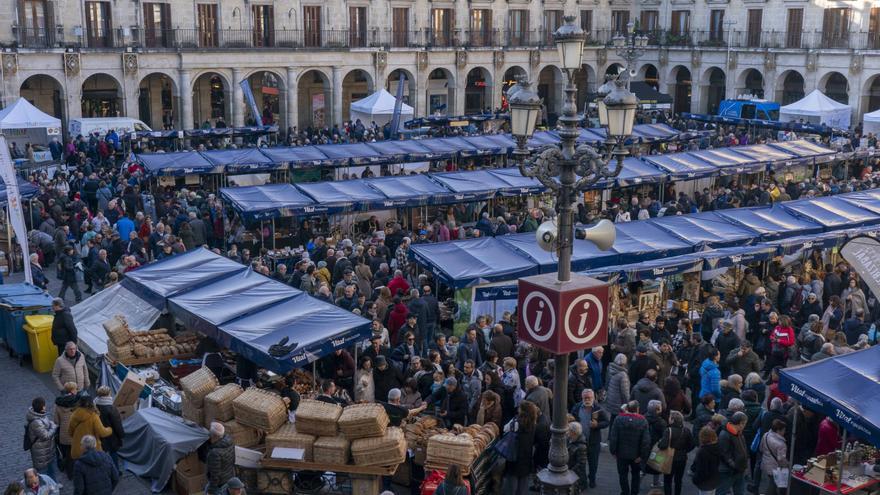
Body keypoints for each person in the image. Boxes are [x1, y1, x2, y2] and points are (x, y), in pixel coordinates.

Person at [608, 401, 651, 495]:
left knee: (622, 474)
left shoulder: (618, 419)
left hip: (621, 454)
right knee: (636, 475)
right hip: (636, 455)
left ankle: (625, 492)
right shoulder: (643, 421)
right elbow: (646, 441)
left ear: (627, 408)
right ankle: (634, 492)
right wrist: (642, 455)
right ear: (637, 409)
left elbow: (613, 437)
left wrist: (613, 451)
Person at [502, 401, 538, 495]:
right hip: (526, 456)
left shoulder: (516, 422)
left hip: (514, 455)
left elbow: (505, 429)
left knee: (511, 483)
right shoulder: (533, 423)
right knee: (523, 483)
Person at [659, 411, 695, 495]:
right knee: (678, 480)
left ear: (672, 420)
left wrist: (660, 443)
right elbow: (692, 444)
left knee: (667, 480)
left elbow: (663, 445)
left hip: (669, 459)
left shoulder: (668, 431)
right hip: (682, 458)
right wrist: (685, 451)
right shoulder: (686, 430)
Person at [68, 395, 113, 461]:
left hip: (78, 448)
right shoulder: (93, 416)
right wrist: (110, 429)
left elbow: (70, 432)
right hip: (92, 449)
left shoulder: (74, 414)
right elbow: (102, 432)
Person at [717, 411, 749, 495]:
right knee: (721, 492)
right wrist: (735, 466)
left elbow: (743, 449)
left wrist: (744, 465)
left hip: (739, 469)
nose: (745, 426)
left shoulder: (739, 433)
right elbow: (724, 454)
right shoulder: (724, 435)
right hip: (729, 471)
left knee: (740, 492)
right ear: (741, 423)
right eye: (745, 424)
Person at [26, 397, 58, 480]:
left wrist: (51, 425)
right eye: (44, 405)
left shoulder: (41, 415)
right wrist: (54, 427)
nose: (45, 407)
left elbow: (49, 423)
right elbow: (45, 436)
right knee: (43, 475)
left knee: (52, 470)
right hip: (41, 454)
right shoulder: (36, 422)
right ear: (42, 407)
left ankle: (54, 484)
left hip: (48, 450)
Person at [94, 386, 124, 468]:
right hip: (111, 435)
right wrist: (121, 434)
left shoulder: (95, 405)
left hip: (98, 434)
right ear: (108, 394)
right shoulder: (111, 408)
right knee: (113, 453)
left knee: (101, 452)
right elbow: (117, 424)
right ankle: (115, 470)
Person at [760, 420, 789, 495]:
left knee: (770, 482)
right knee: (772, 485)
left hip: (765, 463)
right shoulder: (781, 444)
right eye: (783, 430)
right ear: (778, 430)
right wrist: (787, 465)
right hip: (775, 467)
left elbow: (761, 448)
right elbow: (781, 459)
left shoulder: (766, 435)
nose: (784, 432)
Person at [206, 422, 236, 494]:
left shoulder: (214, 453)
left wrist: (211, 489)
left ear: (213, 435)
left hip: (220, 484)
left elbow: (215, 474)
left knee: (206, 490)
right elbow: (233, 460)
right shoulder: (230, 442)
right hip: (230, 477)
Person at [691, 426, 722, 495]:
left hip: (705, 483)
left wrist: (695, 479)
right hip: (714, 481)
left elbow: (702, 471)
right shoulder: (718, 447)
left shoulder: (703, 451)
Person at [566, 421, 589, 493]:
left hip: (577, 478)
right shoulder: (570, 439)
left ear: (574, 432)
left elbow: (580, 463)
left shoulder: (582, 446)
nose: (567, 432)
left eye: (569, 430)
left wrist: (569, 472)